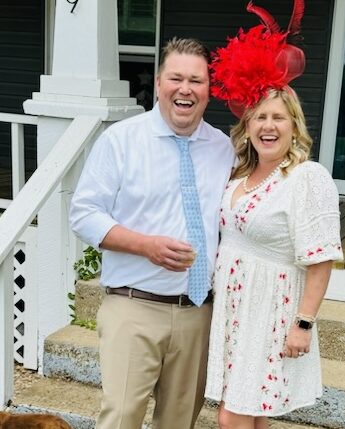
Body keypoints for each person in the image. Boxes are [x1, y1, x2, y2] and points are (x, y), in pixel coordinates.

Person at [69, 37, 235, 429]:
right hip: (134, 307)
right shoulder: (121, 141)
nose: (185, 89)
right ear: (159, 83)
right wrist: (145, 246)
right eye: (176, 78)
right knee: (121, 418)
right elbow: (84, 214)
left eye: (196, 81)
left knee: (179, 422)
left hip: (198, 312)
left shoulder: (223, 148)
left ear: (209, 91)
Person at [204, 3, 343, 428]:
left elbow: (320, 260)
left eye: (278, 117)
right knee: (253, 414)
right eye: (259, 117)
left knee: (232, 418)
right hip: (233, 308)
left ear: (293, 125)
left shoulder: (306, 178)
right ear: (247, 126)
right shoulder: (239, 175)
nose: (268, 125)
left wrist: (303, 323)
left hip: (271, 310)